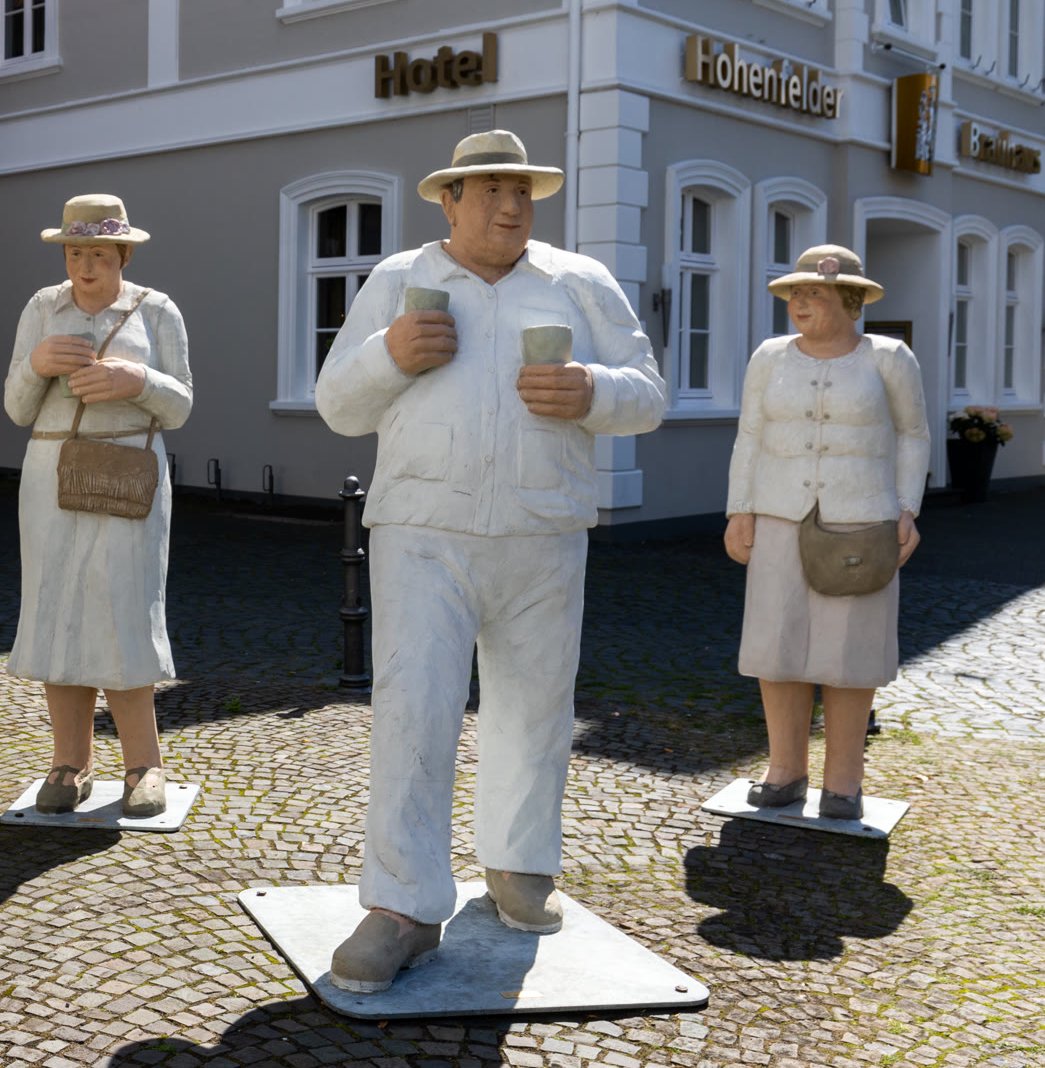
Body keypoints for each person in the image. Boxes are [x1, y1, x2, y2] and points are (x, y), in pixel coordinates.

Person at [315, 130, 667, 992]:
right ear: (450, 200)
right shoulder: (400, 278)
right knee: (415, 708)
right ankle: (402, 906)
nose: (510, 207)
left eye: (522, 192)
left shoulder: (579, 281)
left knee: (536, 707)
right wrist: (389, 354)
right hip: (423, 529)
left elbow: (649, 391)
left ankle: (519, 862)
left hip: (544, 528)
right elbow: (336, 404)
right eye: (490, 190)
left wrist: (593, 390)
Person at [2, 196, 193, 816]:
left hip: (129, 474)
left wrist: (136, 381)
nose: (86, 267)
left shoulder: (156, 309)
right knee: (57, 608)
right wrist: (37, 365)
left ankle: (143, 765)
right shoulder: (41, 307)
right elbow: (15, 408)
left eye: (100, 254)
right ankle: (70, 761)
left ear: (123, 255)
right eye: (75, 252)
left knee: (124, 610)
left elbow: (182, 404)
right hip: (52, 475)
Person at [723, 245, 929, 820]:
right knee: (777, 647)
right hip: (778, 516)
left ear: (851, 300)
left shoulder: (889, 357)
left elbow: (913, 434)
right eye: (796, 293)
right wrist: (740, 509)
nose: (801, 303)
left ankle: (844, 782)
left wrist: (906, 509)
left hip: (860, 521)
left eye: (815, 292)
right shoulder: (769, 357)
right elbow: (749, 434)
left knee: (850, 651)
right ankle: (784, 771)